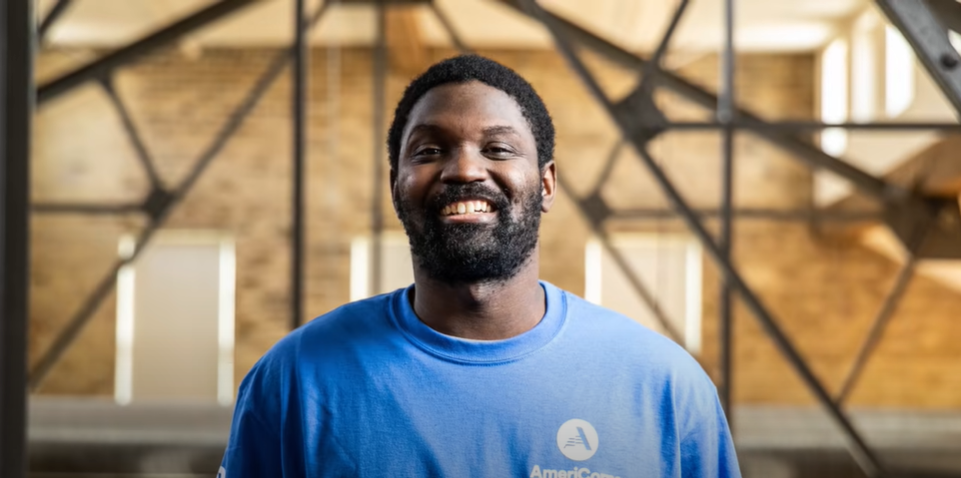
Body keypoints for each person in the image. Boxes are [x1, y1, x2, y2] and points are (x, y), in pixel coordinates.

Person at [219, 54, 740, 478]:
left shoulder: (666, 389)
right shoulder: (293, 381)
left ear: (546, 184)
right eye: (428, 150)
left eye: (497, 148)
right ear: (395, 185)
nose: (465, 168)